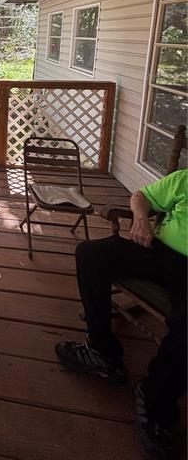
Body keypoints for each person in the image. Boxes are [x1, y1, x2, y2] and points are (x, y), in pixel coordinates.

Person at [55, 168, 187, 460]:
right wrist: (141, 218)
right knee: (90, 254)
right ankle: (102, 352)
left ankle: (155, 400)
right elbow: (141, 196)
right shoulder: (185, 179)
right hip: (159, 251)